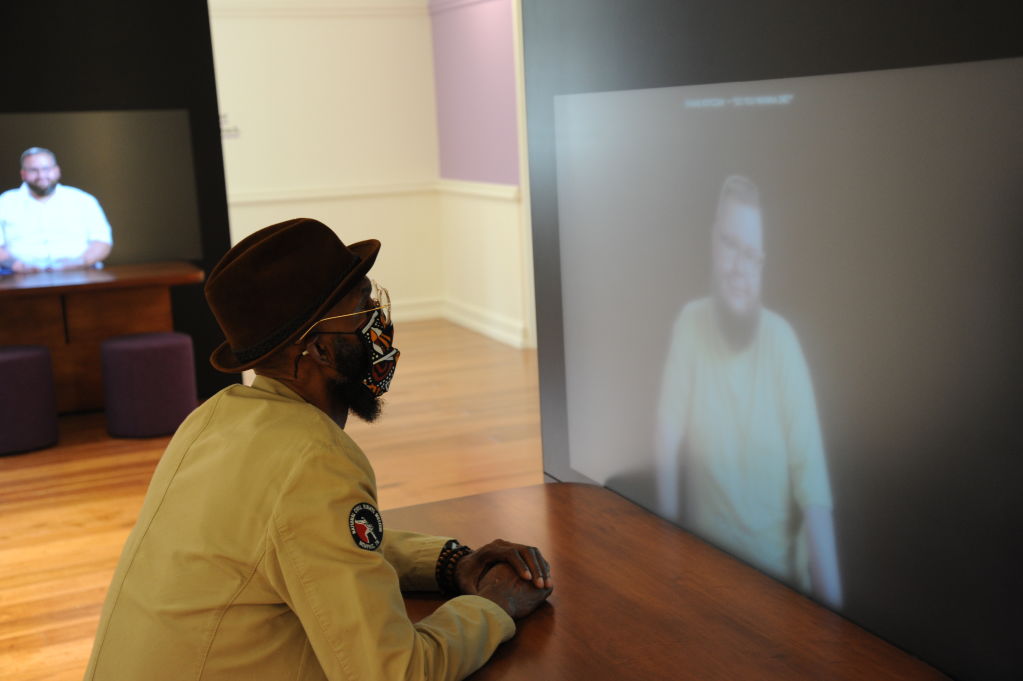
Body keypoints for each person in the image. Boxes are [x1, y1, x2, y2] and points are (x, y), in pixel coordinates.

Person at [84, 218, 553, 680]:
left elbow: (304, 541)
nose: (380, 324)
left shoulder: (213, 418)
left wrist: (449, 563)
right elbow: (394, 672)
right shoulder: (314, 459)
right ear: (320, 351)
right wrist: (494, 607)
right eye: (365, 309)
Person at [654, 175, 842, 608]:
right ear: (712, 243)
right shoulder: (689, 324)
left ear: (764, 265)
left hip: (780, 594)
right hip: (707, 581)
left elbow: (815, 498)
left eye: (752, 255)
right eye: (730, 246)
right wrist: (661, 553)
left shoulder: (783, 344)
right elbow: (665, 438)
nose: (740, 267)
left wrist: (835, 631)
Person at [0, 147, 112, 273]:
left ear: (57, 170)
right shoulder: (4, 202)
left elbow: (102, 241)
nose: (41, 176)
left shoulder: (83, 200)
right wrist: (16, 265)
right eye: (33, 170)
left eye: (46, 169)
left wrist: (80, 262)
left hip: (81, 274)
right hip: (18, 278)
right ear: (23, 174)